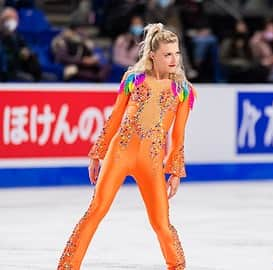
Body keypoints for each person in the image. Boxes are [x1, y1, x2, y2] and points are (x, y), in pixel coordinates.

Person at [57, 22, 195, 270]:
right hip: (119, 153)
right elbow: (115, 118)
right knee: (96, 210)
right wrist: (96, 154)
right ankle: (68, 266)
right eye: (168, 54)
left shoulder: (183, 90)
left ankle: (177, 266)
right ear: (153, 55)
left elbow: (178, 136)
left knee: (161, 223)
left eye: (177, 53)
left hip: (151, 162)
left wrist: (175, 170)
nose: (174, 59)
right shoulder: (134, 79)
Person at [0, 7, 42, 81]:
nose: (12, 21)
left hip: (19, 69)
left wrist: (27, 52)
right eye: (8, 19)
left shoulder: (17, 36)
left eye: (14, 19)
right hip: (6, 72)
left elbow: (26, 49)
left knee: (50, 78)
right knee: (28, 79)